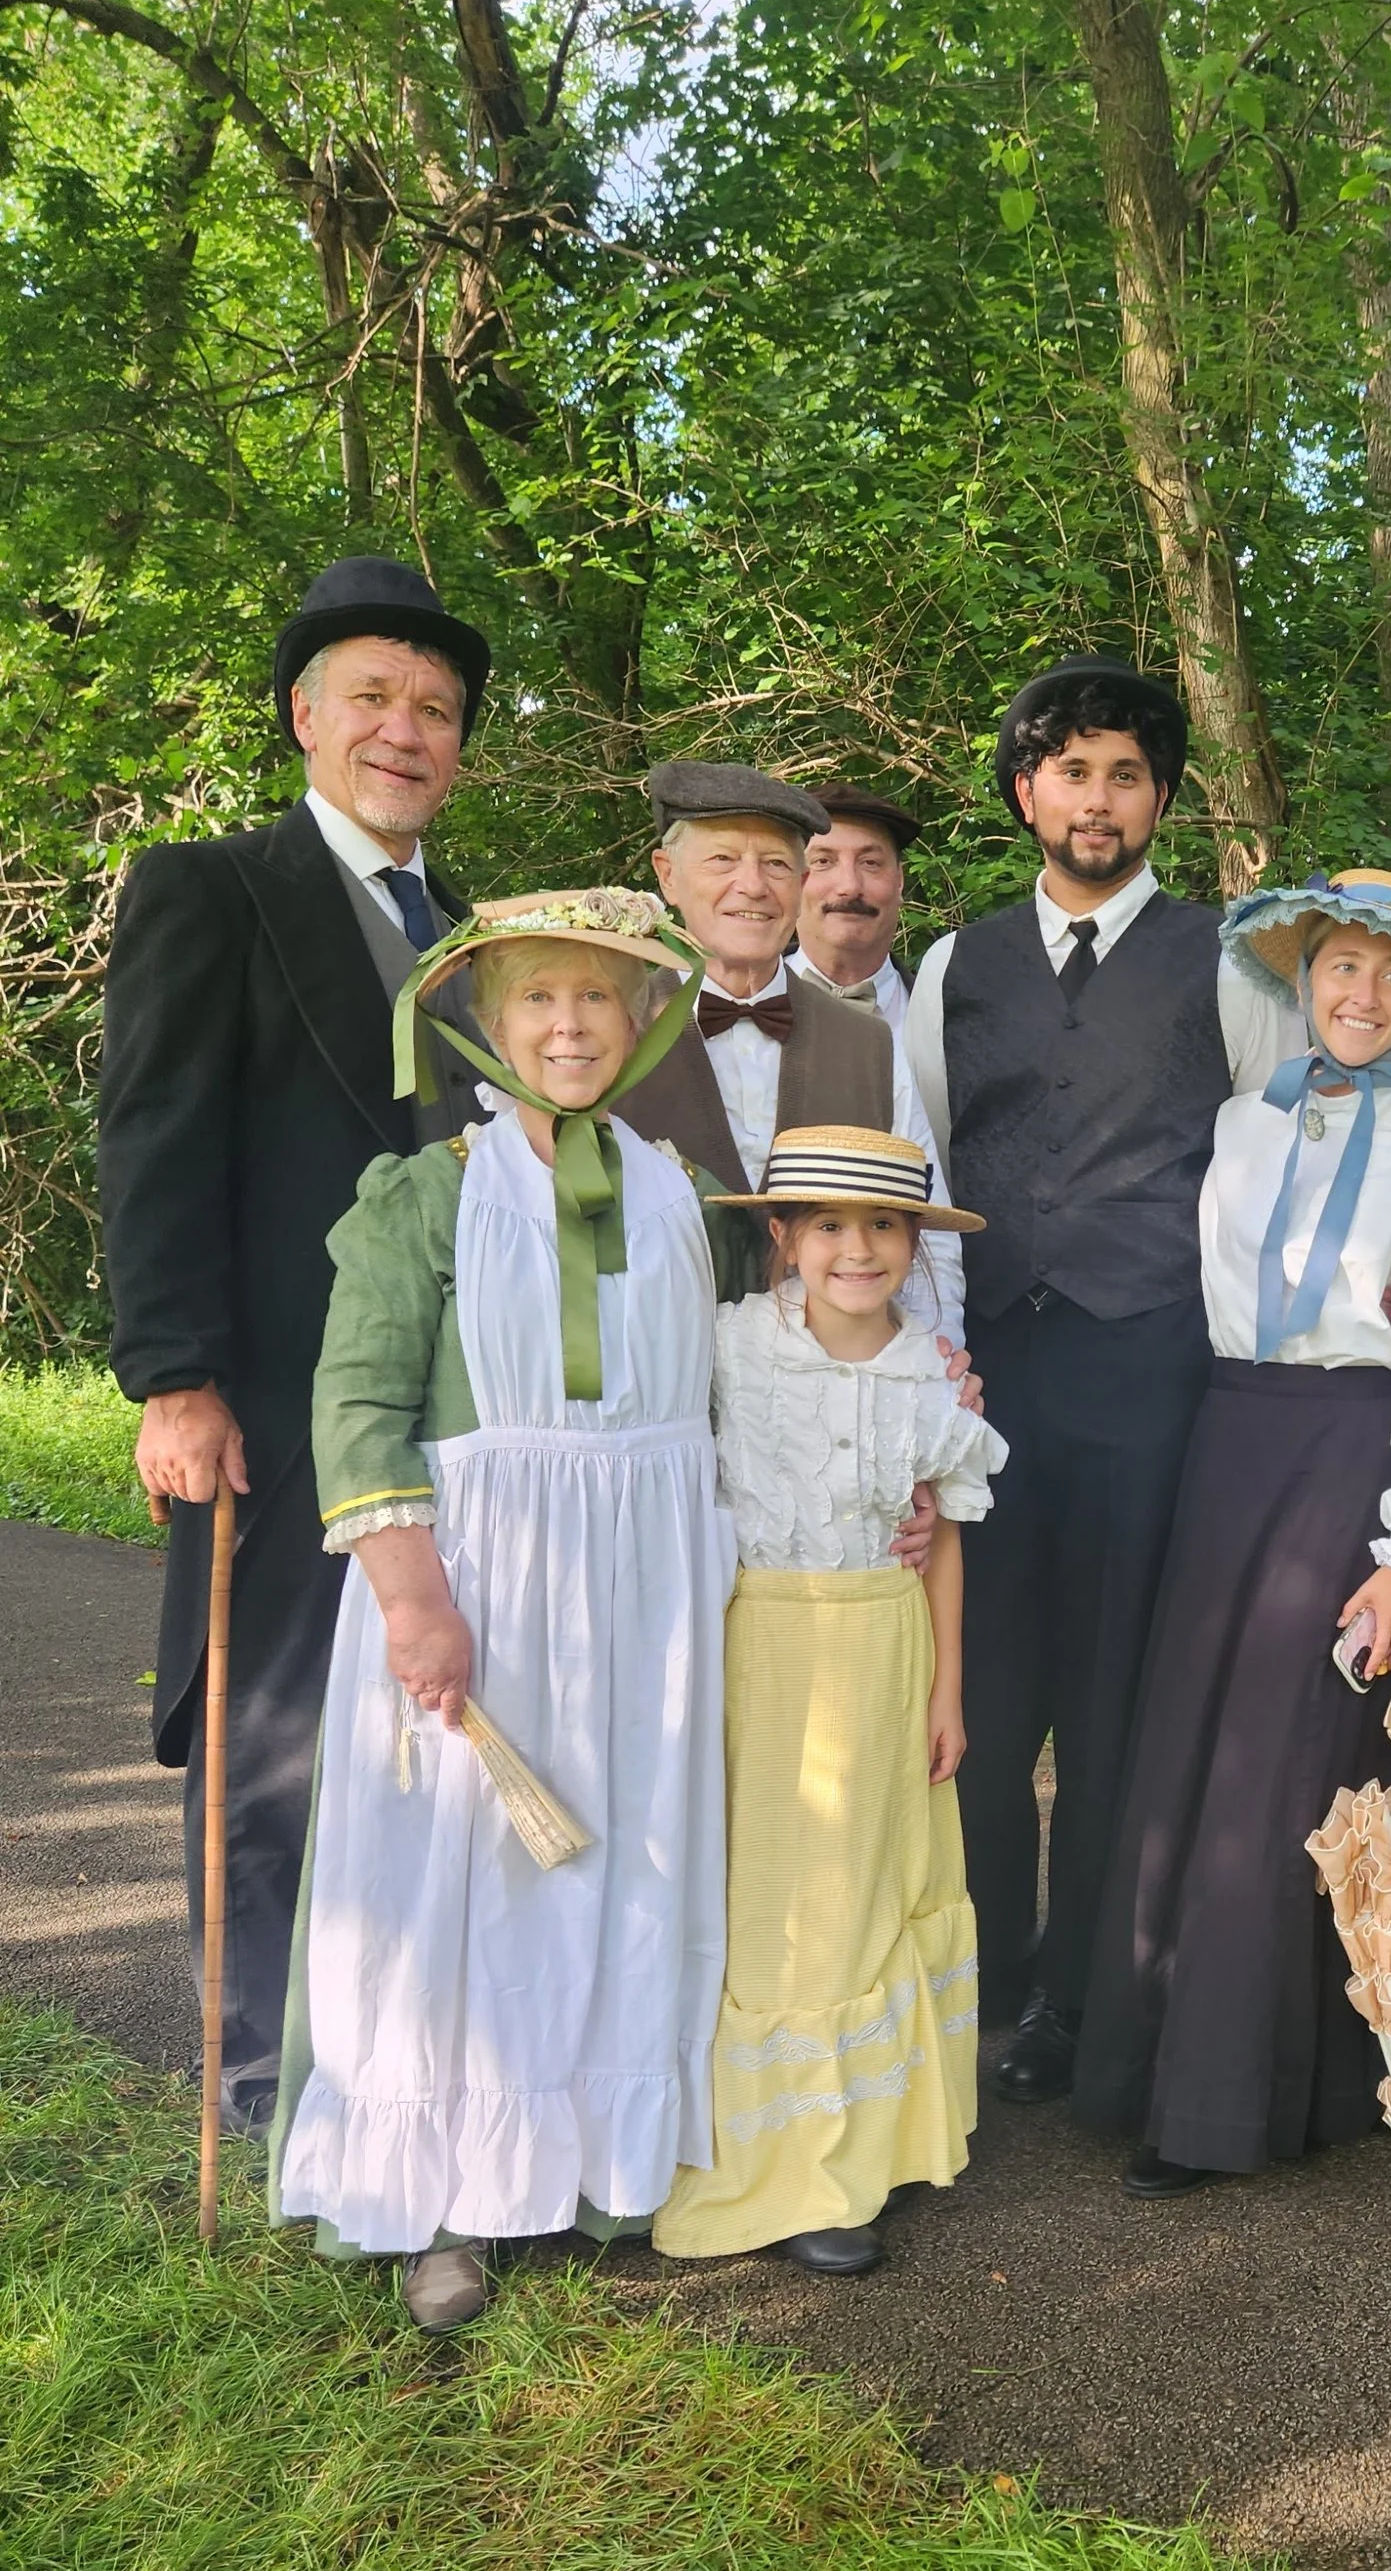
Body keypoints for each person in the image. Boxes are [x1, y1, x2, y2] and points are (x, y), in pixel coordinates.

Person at [274, 892, 735, 2328]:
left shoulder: (674, 1189)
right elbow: (357, 1406)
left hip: (645, 1587)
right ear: (486, 1016)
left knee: (624, 1863)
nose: (571, 1026)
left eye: (599, 999)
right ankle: (443, 2206)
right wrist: (416, 1602)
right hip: (484, 1582)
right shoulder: (430, 1193)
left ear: (642, 1016)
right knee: (459, 1881)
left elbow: (725, 1394)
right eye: (540, 998)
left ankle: (595, 2164)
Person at [99, 556, 491, 2137]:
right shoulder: (215, 889)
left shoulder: (474, 937)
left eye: (438, 709)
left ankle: (402, 2047)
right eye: (376, 699)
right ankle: (266, 2072)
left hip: (445, 1414)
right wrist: (173, 1375)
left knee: (418, 1730)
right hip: (261, 1389)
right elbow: (158, 1133)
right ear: (305, 717)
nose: (406, 730)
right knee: (271, 1736)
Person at [1073, 870, 1391, 2194]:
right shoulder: (1239, 1131)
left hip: (1347, 1460)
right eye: (1342, 966)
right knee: (1197, 1758)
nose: (1365, 994)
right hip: (1225, 1453)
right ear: (1304, 977)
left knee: (1290, 1769)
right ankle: (1161, 2057)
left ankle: (1236, 2098)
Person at [902, 656, 1299, 2097]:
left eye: (1126, 773)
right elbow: (931, 1168)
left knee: (1120, 1695)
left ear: (1160, 802)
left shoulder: (1236, 962)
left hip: (1154, 1371)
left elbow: (1268, 1171)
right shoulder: (954, 966)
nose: (1098, 797)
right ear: (1027, 791)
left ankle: (1089, 2000)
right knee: (985, 1696)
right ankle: (979, 1973)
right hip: (995, 1375)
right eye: (1072, 770)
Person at [653, 1129, 1007, 2280]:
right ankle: (782, 2160)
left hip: (884, 1645)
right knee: (774, 1898)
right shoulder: (727, 1349)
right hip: (761, 1644)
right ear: (783, 1238)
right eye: (829, 1226)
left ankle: (861, 2151)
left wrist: (948, 1688)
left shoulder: (928, 1369)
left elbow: (942, 1540)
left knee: (869, 1889)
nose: (858, 1250)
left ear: (913, 1245)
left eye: (885, 1227)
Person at [613, 760, 963, 1342]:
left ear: (801, 882)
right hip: (657, 1395)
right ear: (667, 876)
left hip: (830, 1403)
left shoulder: (870, 1045)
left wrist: (932, 1363)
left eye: (776, 864)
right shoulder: (609, 1040)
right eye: (722, 859)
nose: (752, 885)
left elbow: (929, 1234)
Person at [791, 782, 923, 1046]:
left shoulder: (952, 1019)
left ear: (899, 881)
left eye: (870, 863)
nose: (849, 887)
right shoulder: (725, 1008)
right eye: (823, 862)